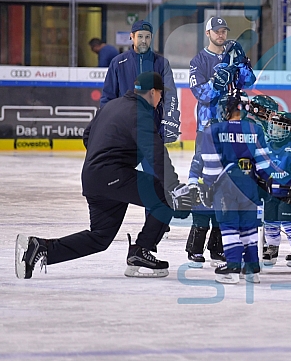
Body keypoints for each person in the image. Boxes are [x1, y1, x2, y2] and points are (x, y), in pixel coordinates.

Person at [15, 72, 193, 280]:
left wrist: (102, 159)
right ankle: (141, 251)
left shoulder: (113, 105)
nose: (161, 99)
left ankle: (42, 248)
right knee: (164, 196)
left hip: (94, 177)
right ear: (153, 92)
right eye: (161, 94)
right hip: (112, 175)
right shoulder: (139, 114)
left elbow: (87, 136)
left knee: (100, 237)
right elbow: (156, 153)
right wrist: (173, 186)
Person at [184, 17, 256, 267]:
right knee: (206, 187)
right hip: (208, 130)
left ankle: (218, 245)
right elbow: (201, 94)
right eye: (217, 31)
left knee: (230, 187)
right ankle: (195, 245)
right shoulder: (199, 61)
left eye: (224, 30)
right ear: (208, 33)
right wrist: (219, 81)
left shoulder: (232, 56)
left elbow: (249, 82)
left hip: (232, 129)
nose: (221, 34)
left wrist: (243, 62)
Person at [200, 90, 272, 284]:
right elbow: (264, 162)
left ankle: (232, 267)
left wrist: (208, 187)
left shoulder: (215, 130)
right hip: (250, 183)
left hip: (226, 184)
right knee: (249, 226)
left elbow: (212, 163)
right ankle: (252, 269)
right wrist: (266, 182)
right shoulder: (255, 129)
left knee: (229, 225)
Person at [101, 20, 181, 143]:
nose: (144, 40)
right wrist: (106, 122)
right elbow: (108, 96)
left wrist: (171, 120)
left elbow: (170, 95)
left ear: (152, 38)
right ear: (132, 36)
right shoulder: (118, 63)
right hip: (124, 128)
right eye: (140, 36)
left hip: (153, 127)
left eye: (147, 37)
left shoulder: (161, 63)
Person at [262, 111, 291, 267]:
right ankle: (272, 247)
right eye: (274, 127)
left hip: (288, 192)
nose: (276, 131)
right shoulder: (266, 147)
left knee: (289, 222)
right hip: (270, 193)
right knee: (269, 222)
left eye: (281, 128)